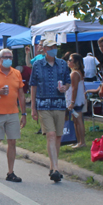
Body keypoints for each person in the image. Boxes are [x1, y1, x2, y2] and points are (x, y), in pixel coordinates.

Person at [30, 39, 71, 182]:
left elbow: (68, 81)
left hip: (59, 104)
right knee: (51, 134)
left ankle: (53, 166)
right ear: (45, 49)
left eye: (55, 46)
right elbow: (33, 85)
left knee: (58, 136)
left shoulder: (62, 64)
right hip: (44, 104)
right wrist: (33, 107)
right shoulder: (37, 64)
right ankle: (56, 168)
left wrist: (65, 88)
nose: (54, 49)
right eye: (51, 47)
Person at [0, 48, 27, 182]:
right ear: (0, 59)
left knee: (12, 141)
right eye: (5, 57)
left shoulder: (16, 73)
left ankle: (10, 172)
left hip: (13, 112)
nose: (8, 59)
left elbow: (21, 94)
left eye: (10, 57)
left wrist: (24, 113)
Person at [66, 53, 86, 148]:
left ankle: (82, 141)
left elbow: (74, 88)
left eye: (70, 60)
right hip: (77, 99)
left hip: (76, 100)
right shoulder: (77, 72)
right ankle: (77, 140)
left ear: (76, 62)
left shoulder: (75, 73)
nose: (68, 62)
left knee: (78, 120)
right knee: (75, 120)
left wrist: (72, 102)